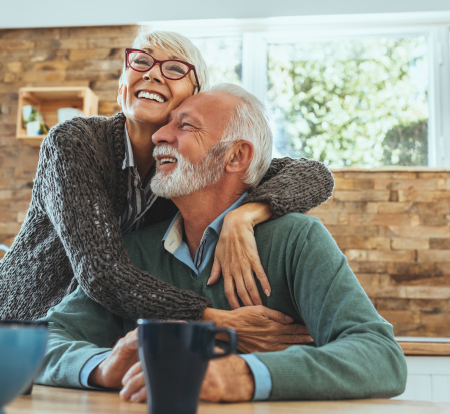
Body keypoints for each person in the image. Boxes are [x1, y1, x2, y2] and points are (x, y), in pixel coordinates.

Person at [36, 84, 406, 402]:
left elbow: (379, 355)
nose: (159, 136)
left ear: (236, 156)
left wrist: (241, 375)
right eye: (166, 124)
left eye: (185, 126)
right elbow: (44, 341)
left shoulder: (297, 239)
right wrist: (104, 367)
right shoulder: (134, 251)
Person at [0, 30, 334, 332]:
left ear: (193, 97)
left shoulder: (186, 169)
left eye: (174, 69)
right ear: (121, 89)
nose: (152, 72)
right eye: (141, 61)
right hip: (25, 324)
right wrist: (213, 321)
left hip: (101, 331)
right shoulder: (73, 142)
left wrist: (244, 215)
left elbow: (313, 175)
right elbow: (101, 272)